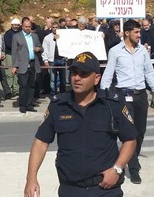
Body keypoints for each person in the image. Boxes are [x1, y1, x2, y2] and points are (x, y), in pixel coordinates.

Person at [24, 52, 137, 197]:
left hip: (105, 189)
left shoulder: (112, 104)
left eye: (83, 74)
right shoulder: (58, 105)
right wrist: (31, 178)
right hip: (70, 189)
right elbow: (40, 142)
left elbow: (130, 140)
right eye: (74, 73)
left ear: (96, 79)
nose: (77, 78)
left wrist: (117, 169)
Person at [100, 20, 154, 184]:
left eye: (139, 32)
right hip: (124, 95)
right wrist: (103, 94)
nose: (139, 35)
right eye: (136, 32)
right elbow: (109, 72)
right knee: (130, 133)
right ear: (127, 33)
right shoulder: (115, 51)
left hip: (140, 95)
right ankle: (133, 168)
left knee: (140, 131)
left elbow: (149, 72)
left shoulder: (142, 51)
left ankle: (131, 156)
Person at [11, 18, 43, 113]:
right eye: (26, 26)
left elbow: (41, 48)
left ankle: (29, 104)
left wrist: (39, 49)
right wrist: (14, 66)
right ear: (22, 26)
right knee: (23, 86)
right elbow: (14, 52)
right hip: (22, 64)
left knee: (31, 86)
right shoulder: (17, 37)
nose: (28, 28)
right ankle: (22, 105)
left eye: (29, 26)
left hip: (33, 63)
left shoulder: (35, 36)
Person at [41, 22, 67, 96]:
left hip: (62, 59)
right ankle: (53, 94)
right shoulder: (47, 37)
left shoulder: (64, 37)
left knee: (63, 79)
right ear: (51, 28)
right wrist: (45, 60)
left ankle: (63, 94)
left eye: (56, 27)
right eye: (53, 27)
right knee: (53, 79)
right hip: (52, 60)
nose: (55, 29)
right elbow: (44, 49)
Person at [3, 18, 21, 97]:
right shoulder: (8, 33)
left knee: (17, 72)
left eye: (17, 25)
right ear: (11, 25)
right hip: (9, 54)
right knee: (9, 73)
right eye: (14, 25)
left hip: (18, 55)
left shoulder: (21, 33)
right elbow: (9, 45)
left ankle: (16, 89)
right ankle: (9, 90)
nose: (16, 26)